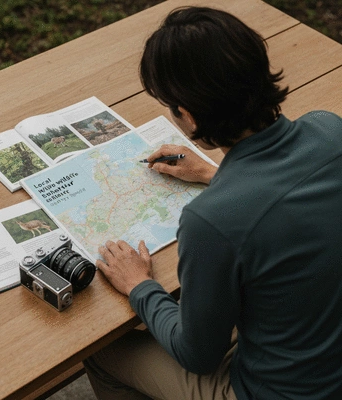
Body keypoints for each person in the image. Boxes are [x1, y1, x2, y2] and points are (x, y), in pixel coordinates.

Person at [83, 6, 342, 400]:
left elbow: (198, 354)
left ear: (187, 116)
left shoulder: (210, 220)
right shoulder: (329, 128)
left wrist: (140, 285)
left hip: (276, 391)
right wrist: (213, 174)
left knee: (102, 352)